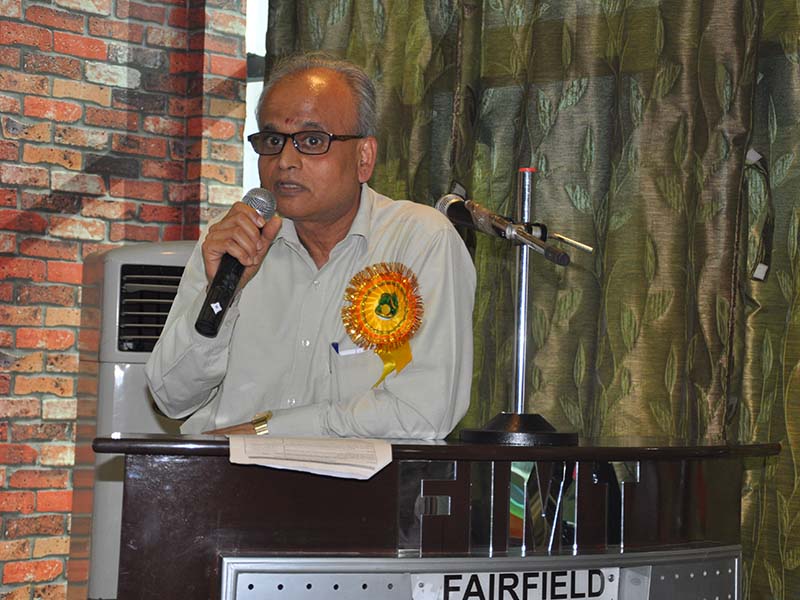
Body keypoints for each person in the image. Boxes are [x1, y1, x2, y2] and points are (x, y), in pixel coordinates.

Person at [144, 53, 476, 439]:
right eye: (273, 141)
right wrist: (221, 296)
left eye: (312, 141)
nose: (285, 161)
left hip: (354, 480)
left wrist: (263, 433)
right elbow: (171, 397)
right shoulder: (233, 242)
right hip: (221, 474)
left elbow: (422, 411)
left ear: (364, 157)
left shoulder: (419, 240)